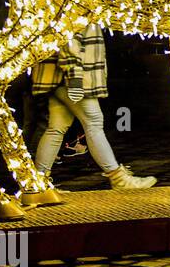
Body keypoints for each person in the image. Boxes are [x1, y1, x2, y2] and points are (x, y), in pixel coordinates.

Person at [31, 25, 156, 191]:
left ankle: (38, 184)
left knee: (56, 128)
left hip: (58, 77)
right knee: (93, 122)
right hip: (72, 79)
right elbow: (67, 40)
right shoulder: (76, 4)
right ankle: (118, 178)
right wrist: (75, 78)